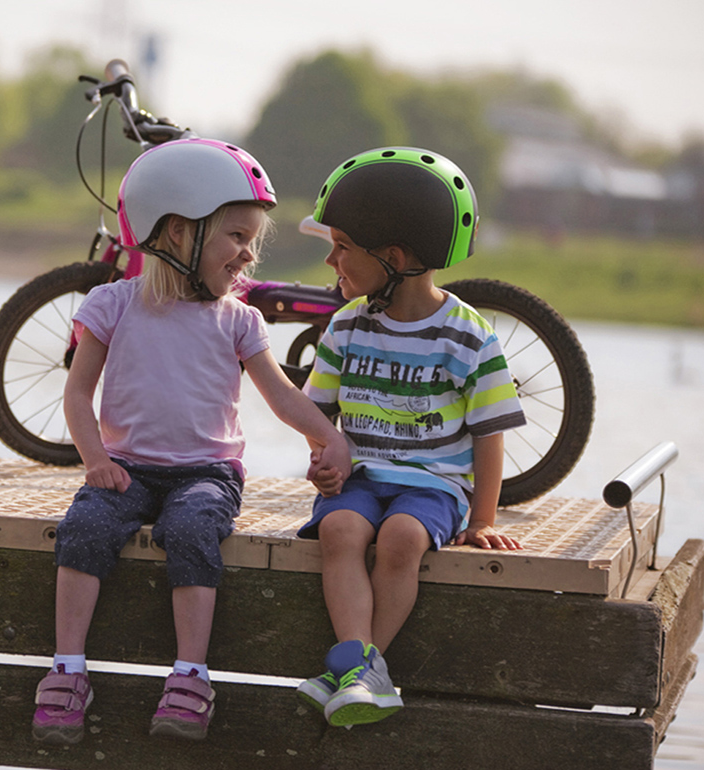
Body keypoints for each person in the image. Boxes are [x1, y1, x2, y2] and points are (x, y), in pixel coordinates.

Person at [31, 138, 352, 745]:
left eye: (253, 240)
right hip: (124, 465)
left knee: (191, 528)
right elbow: (77, 396)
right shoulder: (112, 304)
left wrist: (326, 436)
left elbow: (283, 396)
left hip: (207, 471)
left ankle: (190, 676)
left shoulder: (240, 319)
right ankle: (67, 668)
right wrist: (94, 460)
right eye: (237, 236)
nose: (249, 255)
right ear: (177, 232)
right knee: (84, 527)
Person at [294, 147, 527, 728]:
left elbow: (490, 435)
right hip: (364, 477)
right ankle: (362, 668)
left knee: (400, 537)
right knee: (341, 527)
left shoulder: (468, 337)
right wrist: (324, 462)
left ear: (392, 257)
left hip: (434, 485)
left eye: (343, 245)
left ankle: (353, 667)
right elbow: (318, 416)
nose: (331, 259)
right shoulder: (346, 327)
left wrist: (484, 520)